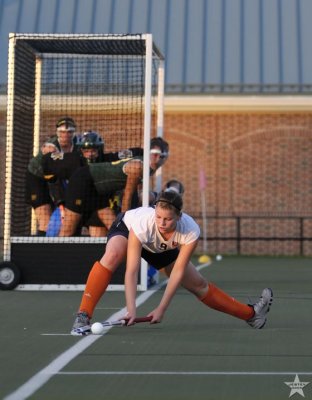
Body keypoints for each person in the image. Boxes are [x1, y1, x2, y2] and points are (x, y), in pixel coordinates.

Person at [71, 191, 273, 335]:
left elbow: (176, 273)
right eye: (158, 216)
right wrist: (130, 308)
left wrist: (161, 308)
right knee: (113, 255)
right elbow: (131, 271)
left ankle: (252, 314)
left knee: (198, 285)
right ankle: (83, 314)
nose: (161, 222)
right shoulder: (144, 223)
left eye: (167, 219)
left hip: (161, 247)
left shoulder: (190, 231)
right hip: (128, 230)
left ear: (179, 216)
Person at [59, 137, 169, 236]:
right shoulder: (138, 167)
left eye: (162, 156)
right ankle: (54, 255)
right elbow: (128, 195)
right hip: (83, 180)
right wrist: (126, 222)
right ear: (148, 153)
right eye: (155, 154)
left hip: (99, 190)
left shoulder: (149, 168)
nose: (158, 159)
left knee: (114, 226)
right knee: (68, 230)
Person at [26, 117, 79, 235]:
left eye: (69, 132)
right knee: (45, 220)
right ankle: (41, 251)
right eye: (62, 132)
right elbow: (52, 178)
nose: (65, 135)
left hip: (58, 178)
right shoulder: (52, 147)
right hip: (38, 179)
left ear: (74, 133)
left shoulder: (77, 146)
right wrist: (60, 203)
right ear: (57, 133)